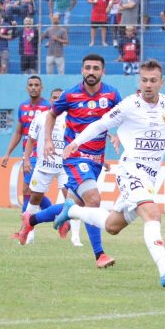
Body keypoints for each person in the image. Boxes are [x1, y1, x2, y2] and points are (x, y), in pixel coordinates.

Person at [52, 59, 165, 287]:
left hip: (150, 176)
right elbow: (100, 125)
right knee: (152, 214)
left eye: (153, 81)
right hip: (130, 171)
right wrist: (75, 143)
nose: (148, 85)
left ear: (161, 82)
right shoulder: (128, 105)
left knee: (112, 226)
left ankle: (73, 210)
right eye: (144, 80)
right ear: (139, 81)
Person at [39, 53, 123, 269]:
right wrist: (48, 140)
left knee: (76, 205)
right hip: (75, 157)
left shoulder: (112, 95)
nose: (91, 72)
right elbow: (51, 115)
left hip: (96, 161)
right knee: (93, 200)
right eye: (87, 68)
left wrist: (117, 135)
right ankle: (100, 255)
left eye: (96, 68)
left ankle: (29, 222)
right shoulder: (70, 95)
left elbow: (125, 117)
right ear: (82, 71)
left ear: (103, 71)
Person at [17, 87, 83, 248]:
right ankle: (29, 233)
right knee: (34, 199)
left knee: (72, 201)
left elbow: (80, 140)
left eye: (60, 98)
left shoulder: (71, 118)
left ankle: (75, 237)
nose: (56, 100)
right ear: (50, 99)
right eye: (54, 97)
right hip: (44, 165)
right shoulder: (41, 117)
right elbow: (30, 140)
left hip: (65, 167)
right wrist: (26, 160)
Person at [1, 75, 53, 243]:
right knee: (28, 192)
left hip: (40, 156)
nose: (33, 87)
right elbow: (18, 132)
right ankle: (58, 216)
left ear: (41, 88)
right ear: (26, 88)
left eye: (36, 85)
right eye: (30, 85)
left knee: (29, 192)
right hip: (27, 156)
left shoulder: (48, 108)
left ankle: (26, 230)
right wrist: (8, 153)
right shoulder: (22, 107)